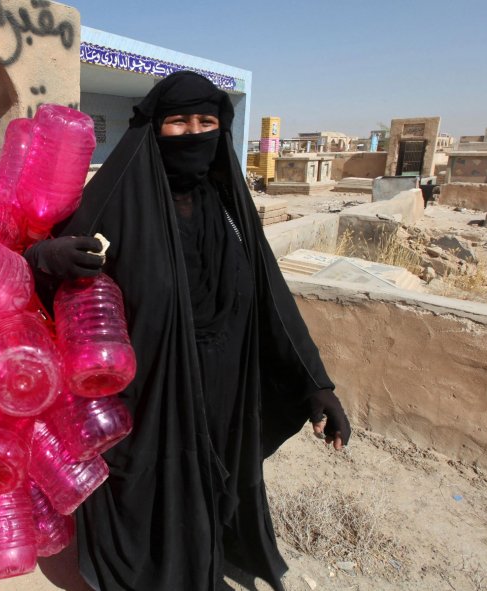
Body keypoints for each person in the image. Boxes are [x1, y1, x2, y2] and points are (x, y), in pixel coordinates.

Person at [23, 71, 352, 591]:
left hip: (224, 382)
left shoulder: (228, 208)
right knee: (152, 495)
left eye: (207, 121)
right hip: (149, 391)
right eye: (178, 121)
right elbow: (43, 275)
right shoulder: (119, 197)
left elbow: (271, 295)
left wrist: (317, 382)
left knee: (211, 485)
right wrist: (47, 256)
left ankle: (200, 564)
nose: (194, 132)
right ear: (154, 128)